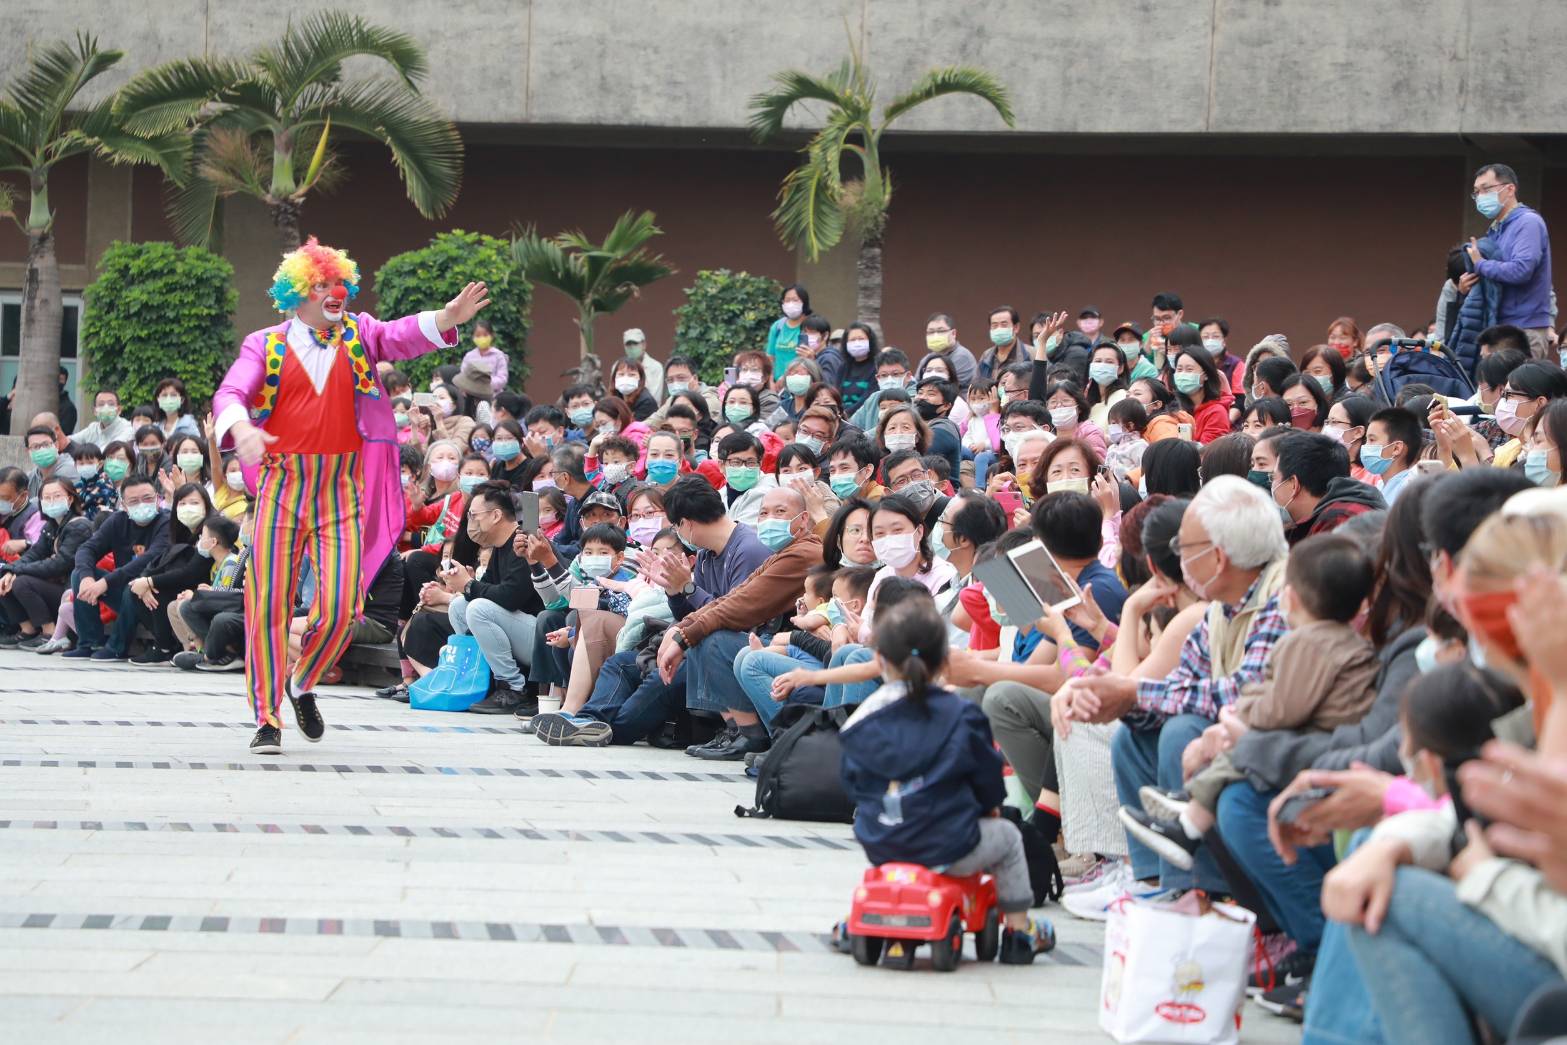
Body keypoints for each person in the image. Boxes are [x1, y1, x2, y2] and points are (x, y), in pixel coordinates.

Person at [212, 236, 489, 754]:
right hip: (281, 487)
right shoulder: (264, 343)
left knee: (341, 609)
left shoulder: (360, 334)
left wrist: (446, 315)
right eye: (320, 285)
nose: (333, 292)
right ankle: (267, 716)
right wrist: (241, 429)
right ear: (297, 293)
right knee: (267, 605)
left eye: (338, 283)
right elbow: (231, 393)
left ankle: (302, 682)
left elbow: (402, 334)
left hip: (341, 490)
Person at [1061, 476, 1289, 898]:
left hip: (1283, 739)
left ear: (1217, 558)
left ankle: (1201, 892)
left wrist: (1128, 692)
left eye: (1184, 551)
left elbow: (1243, 692)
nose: (1178, 563)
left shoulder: (1283, 593)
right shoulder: (1221, 609)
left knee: (1182, 730)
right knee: (1133, 734)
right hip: (1239, 731)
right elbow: (1182, 683)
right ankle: (1157, 880)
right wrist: (1115, 700)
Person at [1118, 534, 1381, 868]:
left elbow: (1282, 705)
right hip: (1330, 735)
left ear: (1291, 599)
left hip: (1317, 739)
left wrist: (1240, 714)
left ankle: (1189, 824)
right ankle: (1185, 816)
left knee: (1239, 747)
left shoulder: (1308, 643)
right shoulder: (1346, 641)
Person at [838, 597, 1058, 964]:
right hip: (951, 842)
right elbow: (986, 777)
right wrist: (988, 810)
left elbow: (852, 781)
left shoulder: (863, 719)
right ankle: (1020, 931)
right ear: (944, 663)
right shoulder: (961, 714)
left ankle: (860, 918)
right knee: (1007, 839)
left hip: (884, 840)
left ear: (880, 661)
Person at [652, 480, 820, 760]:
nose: (768, 520)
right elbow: (732, 598)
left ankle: (752, 734)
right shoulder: (782, 553)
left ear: (803, 519)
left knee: (714, 639)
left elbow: (741, 608)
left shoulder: (803, 553)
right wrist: (681, 628)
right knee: (695, 637)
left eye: (779, 512)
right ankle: (735, 731)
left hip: (798, 646)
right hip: (776, 640)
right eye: (763, 513)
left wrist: (684, 634)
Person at [64, 473, 170, 661]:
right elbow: (86, 549)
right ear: (124, 505)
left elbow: (149, 559)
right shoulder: (118, 521)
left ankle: (116, 647)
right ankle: (90, 642)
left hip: (154, 593)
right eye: (134, 501)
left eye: (147, 498)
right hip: (123, 589)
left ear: (157, 499)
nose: (141, 504)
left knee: (133, 586)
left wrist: (106, 582)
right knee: (79, 573)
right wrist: (88, 578)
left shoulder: (166, 523)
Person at [1467, 163, 1554, 358]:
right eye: (1476, 192)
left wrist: (1480, 264)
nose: (1480, 196)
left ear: (1510, 189)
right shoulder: (1496, 228)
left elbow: (1521, 270)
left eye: (1486, 189)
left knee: (1519, 388)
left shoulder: (1528, 222)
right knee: (1498, 389)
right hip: (1501, 327)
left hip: (1525, 329)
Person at [126, 483, 216, 666]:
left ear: (206, 505)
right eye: (182, 504)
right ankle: (167, 645)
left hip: (206, 585)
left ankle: (164, 648)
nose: (187, 508)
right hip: (183, 582)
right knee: (134, 591)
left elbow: (191, 573)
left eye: (194, 503)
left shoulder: (211, 530)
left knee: (160, 591)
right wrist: (144, 581)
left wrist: (150, 582)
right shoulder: (179, 531)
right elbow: (160, 561)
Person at [0, 477, 91, 650]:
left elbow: (60, 564)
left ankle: (49, 632)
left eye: (56, 496)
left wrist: (17, 570)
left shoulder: (79, 527)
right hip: (55, 586)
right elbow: (35, 554)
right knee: (5, 577)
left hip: (72, 590)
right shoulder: (51, 526)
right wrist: (10, 570)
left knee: (22, 582)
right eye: (46, 498)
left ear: (70, 498)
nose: (51, 501)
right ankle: (27, 629)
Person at [1269, 430, 1386, 544]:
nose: (1272, 485)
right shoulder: (1319, 517)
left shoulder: (1339, 521)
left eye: (1273, 477)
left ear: (1294, 484)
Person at [1362, 406, 1422, 503]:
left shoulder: (1409, 490)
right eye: (1366, 440)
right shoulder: (1380, 485)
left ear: (1396, 448)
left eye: (1372, 440)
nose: (1365, 446)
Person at [919, 311, 976, 389]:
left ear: (953, 333)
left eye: (941, 331)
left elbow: (948, 388)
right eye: (931, 332)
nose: (935, 335)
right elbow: (916, 384)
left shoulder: (962, 356)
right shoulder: (927, 358)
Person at [978, 305, 1030, 381]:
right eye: (994, 325)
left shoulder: (1030, 354)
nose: (999, 329)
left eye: (1004, 324)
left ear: (1016, 327)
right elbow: (978, 385)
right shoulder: (986, 356)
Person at [460, 317, 508, 397]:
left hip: (493, 398)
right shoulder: (469, 357)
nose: (482, 338)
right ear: (473, 337)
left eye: (485, 335)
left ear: (492, 335)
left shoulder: (498, 355)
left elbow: (502, 379)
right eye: (478, 335)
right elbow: (463, 377)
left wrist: (485, 382)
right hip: (472, 398)